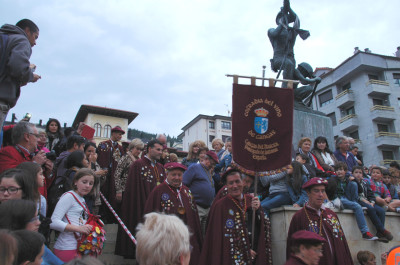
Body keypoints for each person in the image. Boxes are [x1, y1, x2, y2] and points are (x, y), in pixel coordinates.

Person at [199, 169, 272, 265]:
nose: (235, 186)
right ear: (226, 186)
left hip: (254, 254)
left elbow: (263, 226)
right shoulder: (220, 206)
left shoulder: (251, 200)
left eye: (237, 181)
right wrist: (245, 251)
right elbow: (221, 238)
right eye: (231, 183)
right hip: (231, 258)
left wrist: (258, 211)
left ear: (243, 182)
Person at [144, 162, 202, 265]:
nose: (176, 177)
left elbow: (194, 215)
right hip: (166, 239)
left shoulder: (186, 191)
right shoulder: (158, 191)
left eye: (179, 175)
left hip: (186, 238)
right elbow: (150, 216)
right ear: (167, 174)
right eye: (173, 175)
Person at [116, 139, 166, 258]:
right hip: (141, 206)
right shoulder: (138, 164)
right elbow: (133, 190)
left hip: (157, 209)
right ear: (149, 149)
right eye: (158, 149)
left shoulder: (160, 167)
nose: (160, 152)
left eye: (162, 150)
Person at [287, 177, 354, 265]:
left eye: (323, 191)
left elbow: (343, 243)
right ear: (308, 193)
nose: (321, 194)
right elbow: (292, 249)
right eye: (316, 191)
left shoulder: (332, 215)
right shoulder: (299, 217)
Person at [0, 19, 41, 139]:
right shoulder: (21, 40)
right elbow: (17, 67)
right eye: (35, 37)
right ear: (27, 31)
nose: (35, 42)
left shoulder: (4, 38)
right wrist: (30, 75)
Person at [50, 168, 97, 262]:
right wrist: (79, 229)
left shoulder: (82, 199)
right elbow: (53, 222)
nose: (87, 186)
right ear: (75, 182)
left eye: (91, 183)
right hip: (67, 248)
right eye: (84, 182)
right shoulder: (69, 196)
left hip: (78, 247)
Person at [0, 199, 63, 265]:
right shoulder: (5, 251)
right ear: (16, 223)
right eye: (33, 219)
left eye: (37, 217)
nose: (38, 222)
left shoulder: (39, 244)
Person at [332, 162, 377, 240]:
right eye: (337, 170)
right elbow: (330, 191)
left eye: (341, 170)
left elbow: (360, 190)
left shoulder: (347, 179)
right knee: (357, 206)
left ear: (345, 171)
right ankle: (365, 232)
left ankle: (355, 203)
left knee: (353, 184)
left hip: (347, 198)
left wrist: (355, 180)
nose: (339, 172)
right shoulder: (333, 179)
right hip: (338, 200)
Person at [268, 0, 309, 81]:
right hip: (279, 59)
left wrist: (288, 8)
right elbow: (274, 34)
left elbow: (296, 19)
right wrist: (282, 24)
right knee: (288, 64)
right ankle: (286, 90)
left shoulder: (292, 31)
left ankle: (292, 90)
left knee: (294, 77)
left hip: (291, 58)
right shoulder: (272, 30)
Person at [352, 166, 392, 242]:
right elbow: (356, 195)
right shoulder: (354, 182)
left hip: (369, 201)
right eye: (356, 172)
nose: (358, 174)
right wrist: (366, 201)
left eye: (360, 173)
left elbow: (370, 194)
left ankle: (380, 234)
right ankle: (382, 230)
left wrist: (372, 202)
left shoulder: (365, 183)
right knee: (371, 208)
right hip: (359, 201)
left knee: (381, 211)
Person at [183, 150, 218, 235]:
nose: (212, 166)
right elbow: (184, 184)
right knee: (194, 231)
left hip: (207, 208)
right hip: (197, 206)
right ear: (206, 159)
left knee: (203, 234)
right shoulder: (195, 167)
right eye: (212, 163)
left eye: (214, 164)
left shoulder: (208, 172)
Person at [97, 126, 125, 217]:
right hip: (104, 174)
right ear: (113, 133)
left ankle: (110, 216)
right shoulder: (103, 144)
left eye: (121, 135)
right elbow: (101, 158)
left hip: (114, 175)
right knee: (103, 192)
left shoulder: (120, 148)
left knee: (112, 194)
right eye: (119, 134)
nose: (120, 136)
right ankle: (101, 214)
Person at [114, 138, 144, 203]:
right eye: (137, 149)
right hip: (124, 189)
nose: (139, 151)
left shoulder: (139, 159)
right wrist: (118, 191)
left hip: (134, 189)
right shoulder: (125, 158)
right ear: (132, 148)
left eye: (140, 149)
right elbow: (117, 174)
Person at [84, 142, 107, 215]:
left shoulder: (97, 164)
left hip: (95, 199)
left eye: (93, 152)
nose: (91, 154)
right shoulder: (83, 163)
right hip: (86, 198)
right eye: (89, 151)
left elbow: (100, 183)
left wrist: (103, 175)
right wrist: (96, 172)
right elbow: (86, 176)